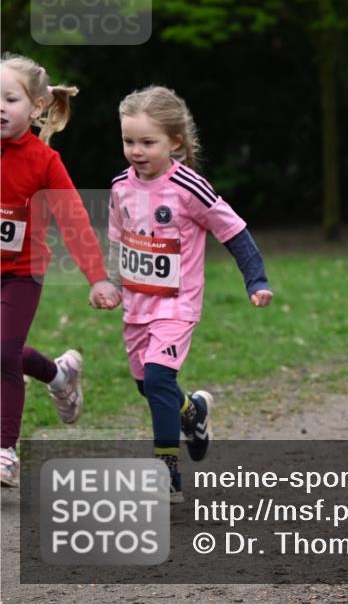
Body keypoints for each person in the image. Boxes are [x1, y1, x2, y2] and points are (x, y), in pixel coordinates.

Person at [109, 86, 273, 501]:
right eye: (129, 141)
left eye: (148, 142)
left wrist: (255, 279)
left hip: (177, 305)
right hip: (136, 305)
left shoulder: (189, 187)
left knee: (161, 377)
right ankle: (192, 411)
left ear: (175, 142)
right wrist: (110, 282)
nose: (137, 151)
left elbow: (232, 229)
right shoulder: (120, 187)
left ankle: (167, 469)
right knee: (149, 386)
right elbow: (118, 238)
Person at [1, 54, 121, 487]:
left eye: (9, 99)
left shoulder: (43, 162)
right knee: (4, 350)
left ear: (35, 108)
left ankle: (4, 450)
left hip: (21, 272)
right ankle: (60, 374)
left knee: (2, 354)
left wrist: (97, 276)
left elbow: (73, 219)